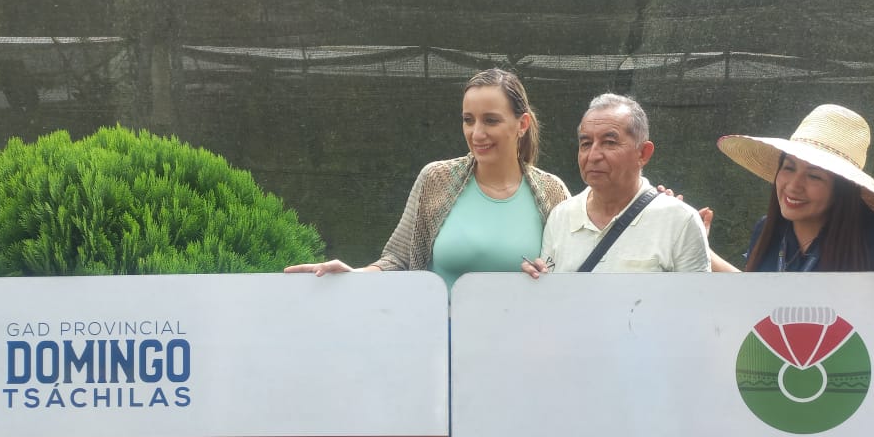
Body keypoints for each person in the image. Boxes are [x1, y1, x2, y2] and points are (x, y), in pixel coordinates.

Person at [284, 69, 570, 287]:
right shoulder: (436, 179)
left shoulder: (552, 192)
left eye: (490, 120)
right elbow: (398, 259)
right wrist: (354, 276)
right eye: (468, 120)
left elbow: (569, 272)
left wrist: (547, 275)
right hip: (439, 340)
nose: (477, 133)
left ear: (522, 124)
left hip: (520, 342)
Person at [708, 104, 874, 293]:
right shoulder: (767, 230)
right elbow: (756, 299)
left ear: (842, 189)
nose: (793, 186)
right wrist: (701, 247)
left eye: (814, 176)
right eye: (788, 168)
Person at [522, 94, 710, 276]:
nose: (593, 156)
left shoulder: (680, 221)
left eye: (609, 142)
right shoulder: (560, 217)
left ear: (643, 153)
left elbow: (696, 296)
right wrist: (536, 281)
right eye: (586, 143)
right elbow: (551, 295)